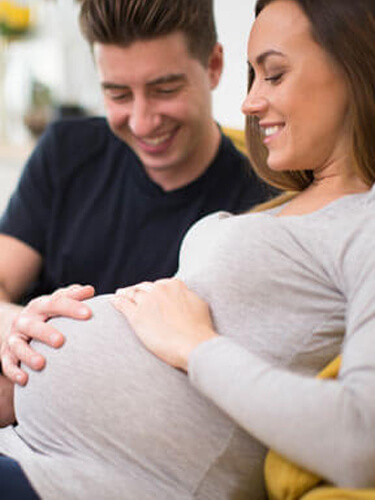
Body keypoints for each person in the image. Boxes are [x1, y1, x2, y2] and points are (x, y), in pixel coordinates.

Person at [0, 0, 374, 498]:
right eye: (254, 76)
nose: (249, 102)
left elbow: (360, 441)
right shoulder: (285, 205)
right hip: (30, 440)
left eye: (275, 74)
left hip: (84, 477)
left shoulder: (355, 221)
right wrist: (24, 327)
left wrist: (196, 346)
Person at [0, 0, 274, 401]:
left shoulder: (260, 208)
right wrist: (23, 323)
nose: (142, 121)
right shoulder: (66, 150)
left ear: (214, 66)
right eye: (119, 94)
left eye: (165, 90)